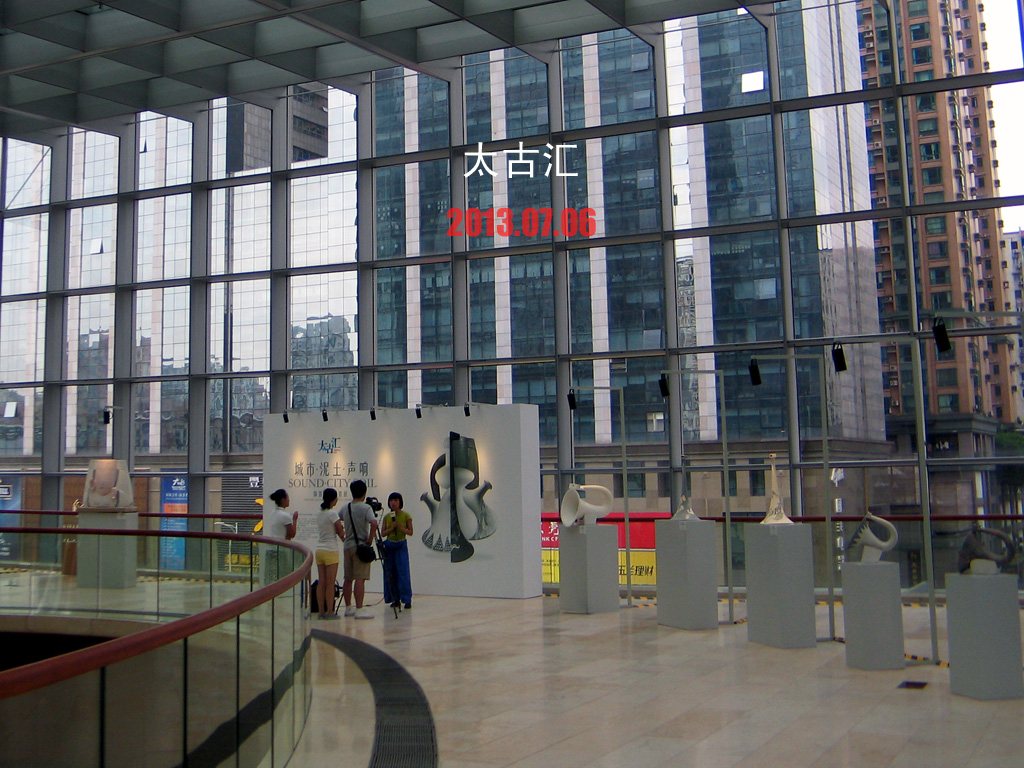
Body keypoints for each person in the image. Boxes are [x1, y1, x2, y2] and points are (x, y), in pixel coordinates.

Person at [341, 479, 378, 619]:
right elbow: (374, 523)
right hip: (361, 546)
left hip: (347, 546)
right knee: (360, 578)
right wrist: (370, 539)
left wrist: (343, 536)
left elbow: (337, 520)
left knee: (348, 578)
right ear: (364, 493)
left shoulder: (345, 508)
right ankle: (359, 609)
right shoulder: (366, 508)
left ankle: (348, 607)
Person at [314, 488, 345, 619]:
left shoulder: (319, 513)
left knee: (321, 582)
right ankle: (330, 612)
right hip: (331, 549)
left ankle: (321, 611)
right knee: (330, 583)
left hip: (319, 550)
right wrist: (344, 537)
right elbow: (340, 531)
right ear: (334, 499)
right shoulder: (333, 513)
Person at [381, 491, 413, 609]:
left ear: (400, 502)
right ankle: (395, 599)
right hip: (389, 546)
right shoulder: (387, 517)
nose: (393, 503)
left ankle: (407, 599)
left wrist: (401, 528)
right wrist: (391, 528)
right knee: (390, 573)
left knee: (403, 573)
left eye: (395, 500)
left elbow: (410, 532)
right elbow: (383, 533)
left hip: (401, 545)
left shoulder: (406, 516)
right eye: (391, 501)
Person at [264, 489, 298, 582]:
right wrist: (295, 520)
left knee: (272, 575)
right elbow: (292, 534)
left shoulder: (273, 513)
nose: (289, 500)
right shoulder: (285, 516)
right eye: (287, 498)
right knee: (284, 575)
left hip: (271, 548)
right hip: (282, 549)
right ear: (283, 499)